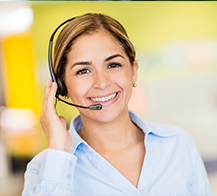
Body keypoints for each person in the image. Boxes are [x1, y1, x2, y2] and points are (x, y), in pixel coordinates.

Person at [22, 13, 212, 196]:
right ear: (62, 86)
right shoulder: (45, 169)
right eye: (83, 70)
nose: (102, 82)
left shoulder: (178, 143)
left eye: (113, 65)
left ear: (133, 71)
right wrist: (57, 149)